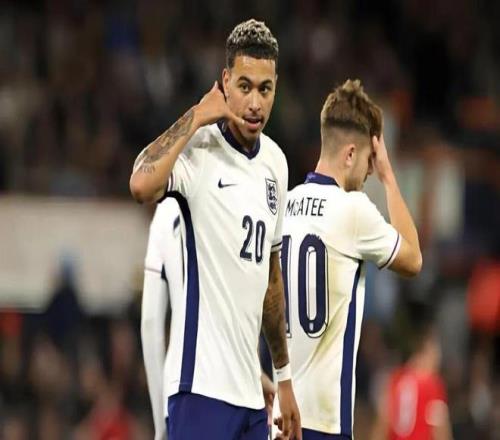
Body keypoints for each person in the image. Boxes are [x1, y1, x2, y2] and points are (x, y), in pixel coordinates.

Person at [131, 19, 301, 440]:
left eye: (265, 89)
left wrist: (283, 378)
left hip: (251, 398)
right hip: (199, 391)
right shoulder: (200, 150)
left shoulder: (276, 164)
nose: (255, 103)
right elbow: (140, 184)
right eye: (244, 86)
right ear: (225, 82)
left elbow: (270, 281)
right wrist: (195, 116)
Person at [273, 79, 422, 439]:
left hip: (281, 417)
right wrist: (389, 177)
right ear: (351, 154)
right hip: (325, 423)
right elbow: (413, 258)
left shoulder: (285, 204)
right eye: (370, 160)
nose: (370, 171)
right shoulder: (353, 210)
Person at [371, 322, 452, 440]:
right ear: (425, 353)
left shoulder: (395, 378)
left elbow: (383, 421)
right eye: (435, 352)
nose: (438, 359)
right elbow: (440, 430)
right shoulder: (432, 384)